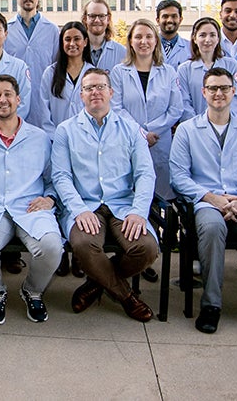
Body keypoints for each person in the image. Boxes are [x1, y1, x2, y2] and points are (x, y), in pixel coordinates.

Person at [169, 67, 237, 334]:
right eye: (213, 88)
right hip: (206, 201)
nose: (219, 93)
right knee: (212, 227)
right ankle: (211, 305)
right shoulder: (186, 130)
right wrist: (212, 199)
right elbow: (178, 176)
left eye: (224, 88)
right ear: (204, 92)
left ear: (233, 92)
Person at [52, 68, 158, 322]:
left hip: (123, 204)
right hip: (85, 204)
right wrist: (79, 210)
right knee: (83, 245)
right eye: (89, 88)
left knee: (146, 248)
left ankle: (95, 284)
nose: (95, 92)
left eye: (100, 87)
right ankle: (126, 297)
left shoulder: (131, 129)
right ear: (81, 95)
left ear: (111, 92)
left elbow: (145, 173)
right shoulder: (66, 130)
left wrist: (138, 212)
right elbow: (61, 177)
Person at [0, 74, 62, 324]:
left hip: (31, 208)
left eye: (8, 94)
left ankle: (32, 291)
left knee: (52, 248)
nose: (2, 99)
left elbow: (54, 178)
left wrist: (50, 198)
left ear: (18, 100)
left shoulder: (39, 138)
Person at [110, 19, 182, 202]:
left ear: (156, 41)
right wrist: (141, 133)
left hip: (160, 142)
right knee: (132, 198)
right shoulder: (119, 72)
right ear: (130, 42)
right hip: (129, 141)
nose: (144, 41)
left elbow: (175, 109)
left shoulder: (169, 72)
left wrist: (152, 130)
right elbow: (116, 107)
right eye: (138, 37)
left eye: (149, 36)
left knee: (161, 199)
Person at [4, 0, 58, 124]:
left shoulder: (52, 30)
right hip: (13, 102)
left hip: (43, 102)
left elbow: (56, 67)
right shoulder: (6, 30)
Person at [177, 17, 237, 121]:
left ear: (218, 39)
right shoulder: (184, 70)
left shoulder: (232, 65)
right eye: (202, 35)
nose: (207, 40)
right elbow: (183, 103)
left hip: (227, 126)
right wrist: (198, 126)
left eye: (212, 35)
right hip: (194, 130)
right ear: (195, 39)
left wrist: (224, 122)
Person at [37, 21, 93, 139]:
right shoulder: (50, 73)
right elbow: (44, 111)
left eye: (77, 39)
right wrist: (55, 137)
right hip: (56, 139)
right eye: (67, 39)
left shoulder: (93, 74)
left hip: (87, 140)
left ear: (85, 42)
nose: (72, 43)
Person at [82, 0, 127, 71]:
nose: (97, 20)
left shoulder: (123, 53)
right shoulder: (76, 50)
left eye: (101, 16)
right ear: (85, 19)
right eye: (92, 16)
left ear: (108, 19)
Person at [156, 0, 191, 68]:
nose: (170, 20)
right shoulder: (148, 46)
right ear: (158, 20)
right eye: (165, 16)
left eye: (174, 16)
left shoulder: (190, 48)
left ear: (180, 20)